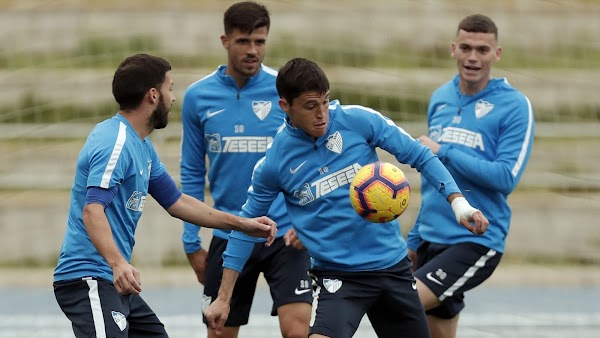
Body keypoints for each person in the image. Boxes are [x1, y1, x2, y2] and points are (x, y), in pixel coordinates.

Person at [204, 57, 490, 338]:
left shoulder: (359, 120)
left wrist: (458, 202)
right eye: (310, 106)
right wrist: (224, 298)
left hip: (392, 268)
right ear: (285, 107)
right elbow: (243, 230)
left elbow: (420, 155)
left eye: (325, 102)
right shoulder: (274, 163)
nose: (322, 114)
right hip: (338, 278)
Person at [53, 53, 277, 338]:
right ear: (153, 95)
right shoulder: (115, 142)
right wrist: (118, 263)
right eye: (170, 88)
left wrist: (243, 224)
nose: (173, 98)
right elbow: (92, 210)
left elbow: (178, 203)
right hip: (89, 277)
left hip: (112, 280)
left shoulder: (142, 147)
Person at [179, 2, 311, 338]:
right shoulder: (198, 97)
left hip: (284, 233)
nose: (253, 50)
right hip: (229, 230)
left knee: (297, 330)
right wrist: (191, 240)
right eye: (243, 42)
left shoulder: (285, 90)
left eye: (260, 41)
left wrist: (305, 221)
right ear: (225, 41)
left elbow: (312, 158)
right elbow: (193, 170)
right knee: (220, 330)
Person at [406, 14, 535, 338]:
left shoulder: (515, 106)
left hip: (475, 240)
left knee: (401, 303)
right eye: (466, 47)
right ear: (454, 49)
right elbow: (434, 179)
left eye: (482, 49)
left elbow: (506, 177)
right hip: (430, 239)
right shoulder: (440, 98)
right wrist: (414, 240)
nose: (473, 57)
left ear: (497, 54)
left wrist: (444, 150)